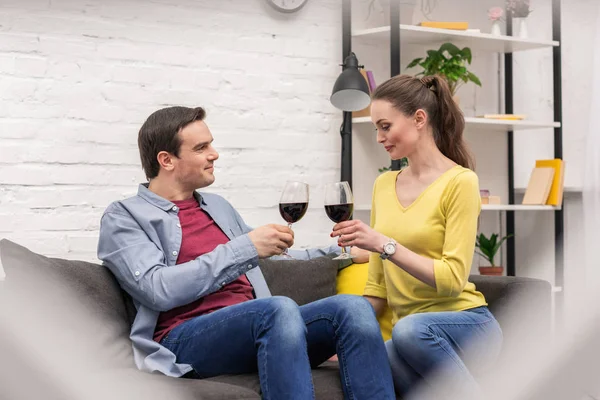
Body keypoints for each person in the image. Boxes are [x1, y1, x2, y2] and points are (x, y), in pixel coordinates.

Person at [97, 106, 395, 400]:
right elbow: (157, 289)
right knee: (277, 309)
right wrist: (245, 247)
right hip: (183, 339)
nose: (214, 154)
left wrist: (339, 253)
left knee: (352, 309)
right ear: (167, 160)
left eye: (210, 144)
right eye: (201, 148)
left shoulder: (217, 206)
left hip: (262, 327)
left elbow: (269, 255)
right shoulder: (125, 217)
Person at [330, 74, 503, 398]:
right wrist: (342, 340)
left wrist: (384, 244)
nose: (380, 137)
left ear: (419, 119)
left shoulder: (460, 182)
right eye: (376, 129)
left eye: (385, 125)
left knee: (408, 330)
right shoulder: (384, 185)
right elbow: (378, 290)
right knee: (379, 353)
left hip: (465, 325)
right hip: (410, 335)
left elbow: (453, 278)